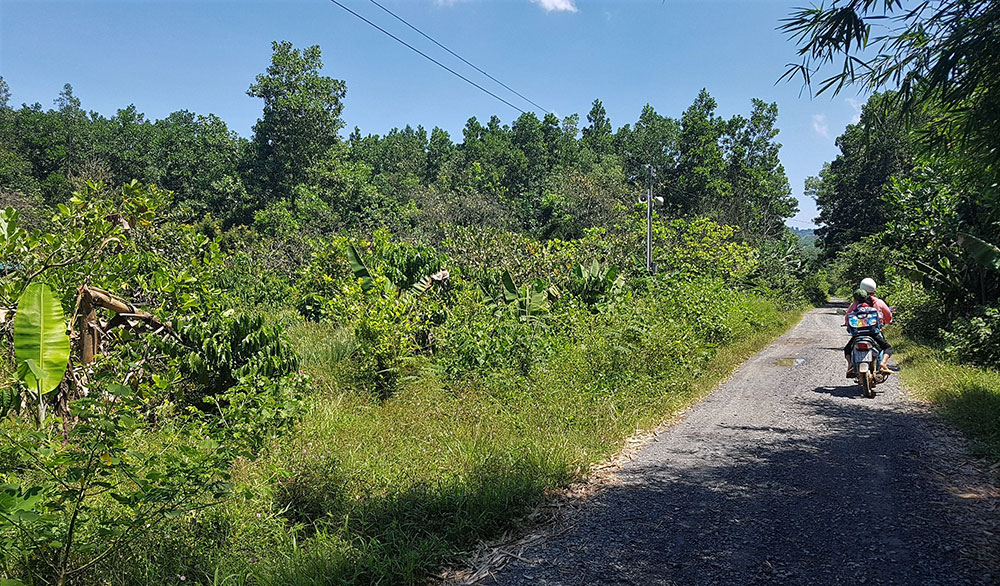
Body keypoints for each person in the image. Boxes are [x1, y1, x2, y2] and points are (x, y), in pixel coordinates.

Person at [844, 285, 893, 377]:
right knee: (887, 347)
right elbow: (881, 319)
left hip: (857, 336)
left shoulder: (853, 311)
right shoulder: (873, 309)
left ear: (855, 300)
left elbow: (847, 320)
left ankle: (850, 364)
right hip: (873, 334)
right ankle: (883, 363)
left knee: (847, 349)